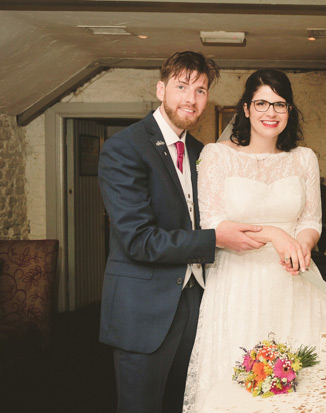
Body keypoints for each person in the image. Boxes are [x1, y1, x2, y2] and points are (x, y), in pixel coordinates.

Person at [98, 51, 264, 413]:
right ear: (161, 89)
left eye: (201, 90)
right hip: (143, 311)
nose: (191, 98)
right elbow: (139, 240)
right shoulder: (123, 149)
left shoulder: (200, 152)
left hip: (197, 304)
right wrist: (216, 240)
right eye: (182, 86)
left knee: (185, 405)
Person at [183, 69, 326, 410]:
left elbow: (311, 220)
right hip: (238, 284)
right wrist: (274, 234)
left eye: (280, 104)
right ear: (247, 109)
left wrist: (302, 245)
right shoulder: (217, 156)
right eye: (262, 103)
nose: (271, 112)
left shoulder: (303, 159)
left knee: (307, 382)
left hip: (296, 284)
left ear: (290, 111)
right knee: (239, 387)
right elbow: (213, 224)